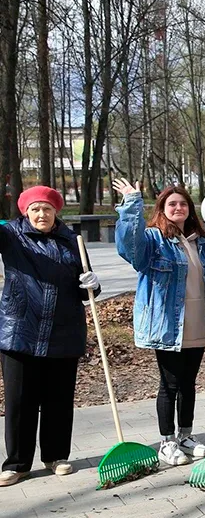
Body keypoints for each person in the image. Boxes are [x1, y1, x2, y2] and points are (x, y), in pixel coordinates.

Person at [114, 178, 205, 466]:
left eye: (183, 203)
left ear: (191, 208)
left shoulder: (203, 242)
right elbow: (129, 247)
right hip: (168, 324)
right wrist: (130, 205)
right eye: (171, 204)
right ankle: (167, 441)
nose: (178, 207)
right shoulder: (153, 240)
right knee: (170, 383)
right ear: (162, 209)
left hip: (199, 321)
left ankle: (186, 436)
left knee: (189, 382)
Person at [0, 186, 101, 487]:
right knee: (19, 400)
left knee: (59, 399)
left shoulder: (73, 241)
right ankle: (17, 463)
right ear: (25, 211)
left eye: (46, 208)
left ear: (56, 211)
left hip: (64, 330)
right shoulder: (11, 236)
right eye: (35, 209)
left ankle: (56, 456)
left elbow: (88, 289)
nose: (41, 214)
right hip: (20, 329)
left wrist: (92, 284)